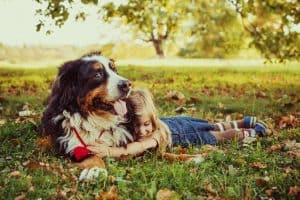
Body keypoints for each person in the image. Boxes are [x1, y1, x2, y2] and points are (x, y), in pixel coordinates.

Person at [88, 89, 268, 157]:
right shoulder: (148, 123)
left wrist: (110, 151)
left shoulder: (154, 135)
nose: (142, 131)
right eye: (135, 126)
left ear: (153, 119)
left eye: (146, 125)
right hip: (178, 122)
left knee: (217, 134)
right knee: (211, 124)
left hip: (186, 135)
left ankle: (251, 132)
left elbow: (135, 148)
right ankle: (244, 121)